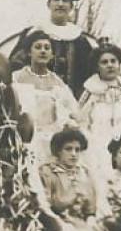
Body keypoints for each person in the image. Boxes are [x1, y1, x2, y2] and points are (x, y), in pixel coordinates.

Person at [2, 0, 98, 99]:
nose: (60, 4)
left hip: (69, 102)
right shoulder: (33, 34)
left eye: (65, 0)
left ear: (71, 7)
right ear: (49, 4)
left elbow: (89, 76)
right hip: (35, 99)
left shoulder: (80, 40)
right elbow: (15, 67)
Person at [77, 44, 121, 186]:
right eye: (104, 62)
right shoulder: (91, 90)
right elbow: (82, 119)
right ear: (97, 67)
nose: (109, 65)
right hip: (101, 140)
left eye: (113, 61)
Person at [10, 29, 79, 164]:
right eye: (38, 47)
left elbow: (74, 113)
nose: (43, 51)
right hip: (26, 140)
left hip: (53, 141)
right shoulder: (17, 78)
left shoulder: (58, 83)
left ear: (52, 54)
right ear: (29, 52)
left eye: (47, 48)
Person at [39, 127, 99, 231]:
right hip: (58, 224)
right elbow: (44, 205)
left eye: (77, 150)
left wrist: (91, 222)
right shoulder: (47, 172)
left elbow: (90, 207)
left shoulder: (85, 173)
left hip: (82, 224)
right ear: (58, 151)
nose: (73, 154)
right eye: (68, 149)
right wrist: (60, 223)